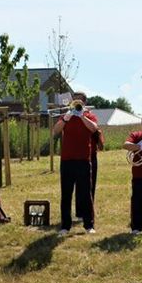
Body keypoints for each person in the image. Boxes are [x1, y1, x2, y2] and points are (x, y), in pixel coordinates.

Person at [53, 97, 99, 235]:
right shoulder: (65, 116)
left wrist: (82, 116)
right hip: (67, 160)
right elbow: (55, 131)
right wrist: (67, 117)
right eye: (75, 104)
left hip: (83, 160)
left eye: (80, 104)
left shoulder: (89, 116)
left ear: (83, 105)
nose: (77, 106)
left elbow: (94, 128)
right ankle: (65, 226)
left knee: (86, 193)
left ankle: (89, 225)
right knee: (66, 194)